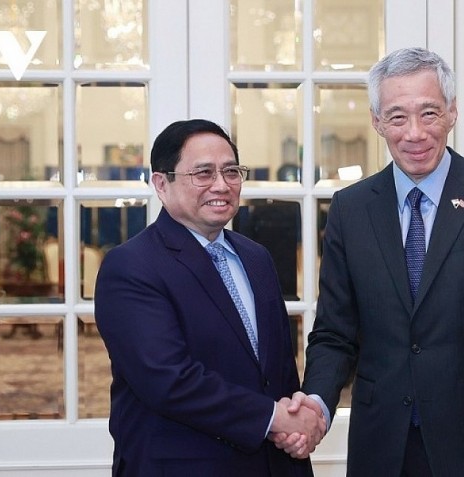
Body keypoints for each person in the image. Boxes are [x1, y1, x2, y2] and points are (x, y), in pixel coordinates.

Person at [298, 47, 464, 475]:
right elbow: (335, 333)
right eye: (397, 117)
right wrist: (316, 403)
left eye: (429, 113)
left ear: (452, 112)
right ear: (377, 122)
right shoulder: (350, 209)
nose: (414, 133)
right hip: (381, 445)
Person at [95, 119, 323, 476]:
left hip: (273, 464)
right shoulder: (131, 266)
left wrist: (295, 422)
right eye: (203, 173)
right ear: (161, 183)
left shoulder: (255, 257)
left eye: (231, 171)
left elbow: (276, 368)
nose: (222, 185)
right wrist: (273, 418)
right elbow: (169, 380)